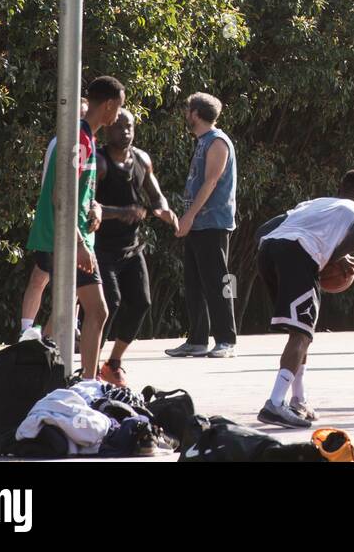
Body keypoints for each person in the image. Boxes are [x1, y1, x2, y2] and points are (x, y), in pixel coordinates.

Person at [255, 171, 354, 429]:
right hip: (299, 254)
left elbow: (263, 230)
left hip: (267, 251)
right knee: (301, 334)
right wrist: (334, 256)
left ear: (339, 188)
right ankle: (275, 404)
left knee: (301, 330)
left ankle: (298, 399)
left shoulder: (313, 203)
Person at [23, 76, 125, 380]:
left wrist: (94, 207)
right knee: (98, 311)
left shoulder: (87, 138)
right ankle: (87, 382)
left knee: (69, 310)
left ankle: (46, 371)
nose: (119, 115)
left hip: (70, 237)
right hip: (66, 240)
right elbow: (61, 194)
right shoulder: (78, 138)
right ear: (108, 105)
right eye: (119, 108)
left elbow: (79, 189)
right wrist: (79, 241)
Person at [93, 109, 178, 386]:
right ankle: (90, 364)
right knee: (110, 304)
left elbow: (156, 197)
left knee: (142, 303)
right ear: (107, 130)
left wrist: (164, 211)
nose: (125, 132)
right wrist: (120, 212)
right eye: (119, 127)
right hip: (101, 248)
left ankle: (113, 362)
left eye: (129, 127)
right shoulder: (100, 162)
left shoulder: (141, 159)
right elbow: (85, 208)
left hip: (131, 247)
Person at [166, 92, 239, 359]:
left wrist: (189, 216)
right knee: (194, 283)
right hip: (198, 224)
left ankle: (226, 340)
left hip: (213, 223)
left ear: (196, 113)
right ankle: (197, 340)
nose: (186, 115)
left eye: (188, 111)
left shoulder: (218, 141)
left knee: (218, 281)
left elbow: (210, 182)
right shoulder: (202, 141)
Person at [20, 98, 90, 339]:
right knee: (59, 281)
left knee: (52, 278)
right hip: (56, 223)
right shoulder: (67, 142)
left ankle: (60, 327)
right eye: (79, 114)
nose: (82, 120)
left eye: (85, 114)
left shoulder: (69, 141)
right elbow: (59, 190)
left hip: (61, 222)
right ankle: (34, 331)